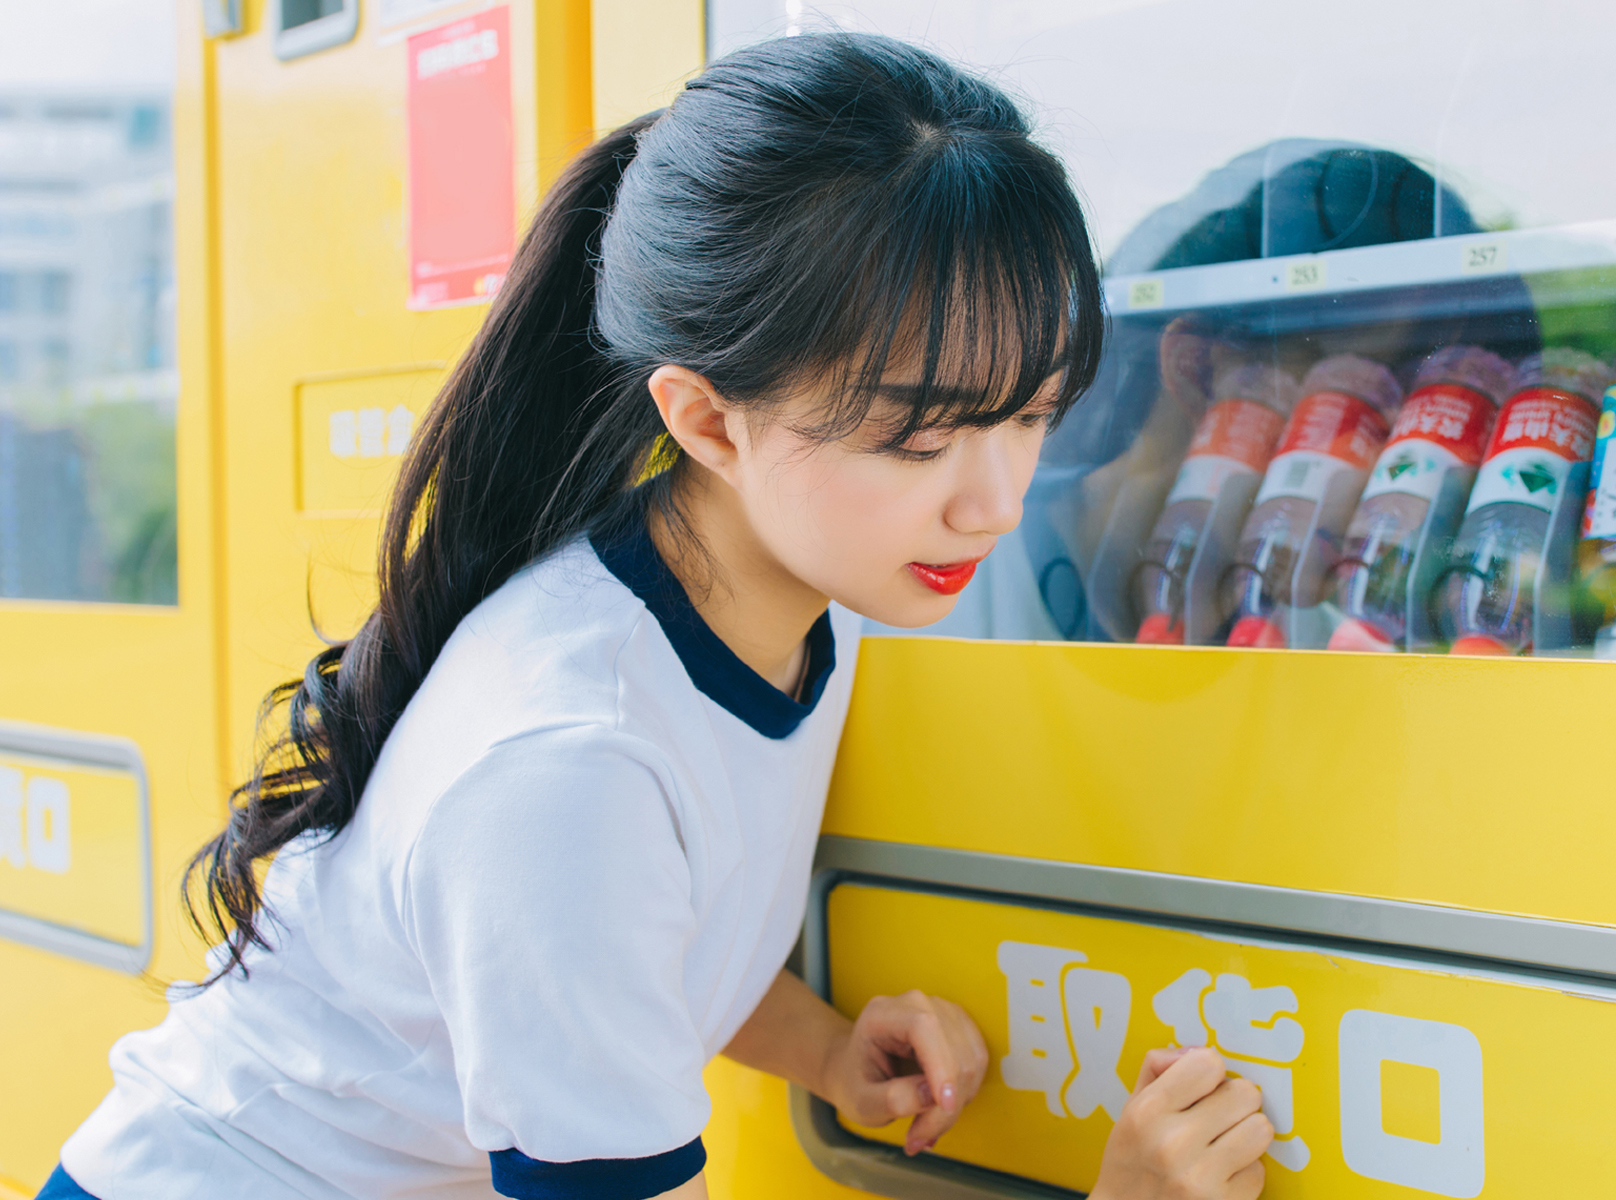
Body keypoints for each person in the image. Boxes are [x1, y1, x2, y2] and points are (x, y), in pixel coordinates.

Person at [37, 32, 1272, 1200]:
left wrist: (829, 1052)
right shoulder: (573, 761)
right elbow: (593, 877)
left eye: (1032, 415)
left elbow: (636, 951)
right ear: (706, 421)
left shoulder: (774, 605)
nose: (995, 505)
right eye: (922, 435)